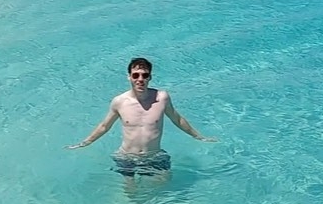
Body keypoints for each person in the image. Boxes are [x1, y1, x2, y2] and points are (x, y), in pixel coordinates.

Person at [65, 57, 218, 179]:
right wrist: (85, 143)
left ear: (150, 77)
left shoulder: (162, 98)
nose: (140, 79)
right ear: (129, 77)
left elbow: (177, 119)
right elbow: (105, 126)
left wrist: (199, 137)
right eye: (135, 75)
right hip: (127, 157)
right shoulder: (119, 102)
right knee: (130, 194)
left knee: (163, 186)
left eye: (144, 75)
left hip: (154, 156)